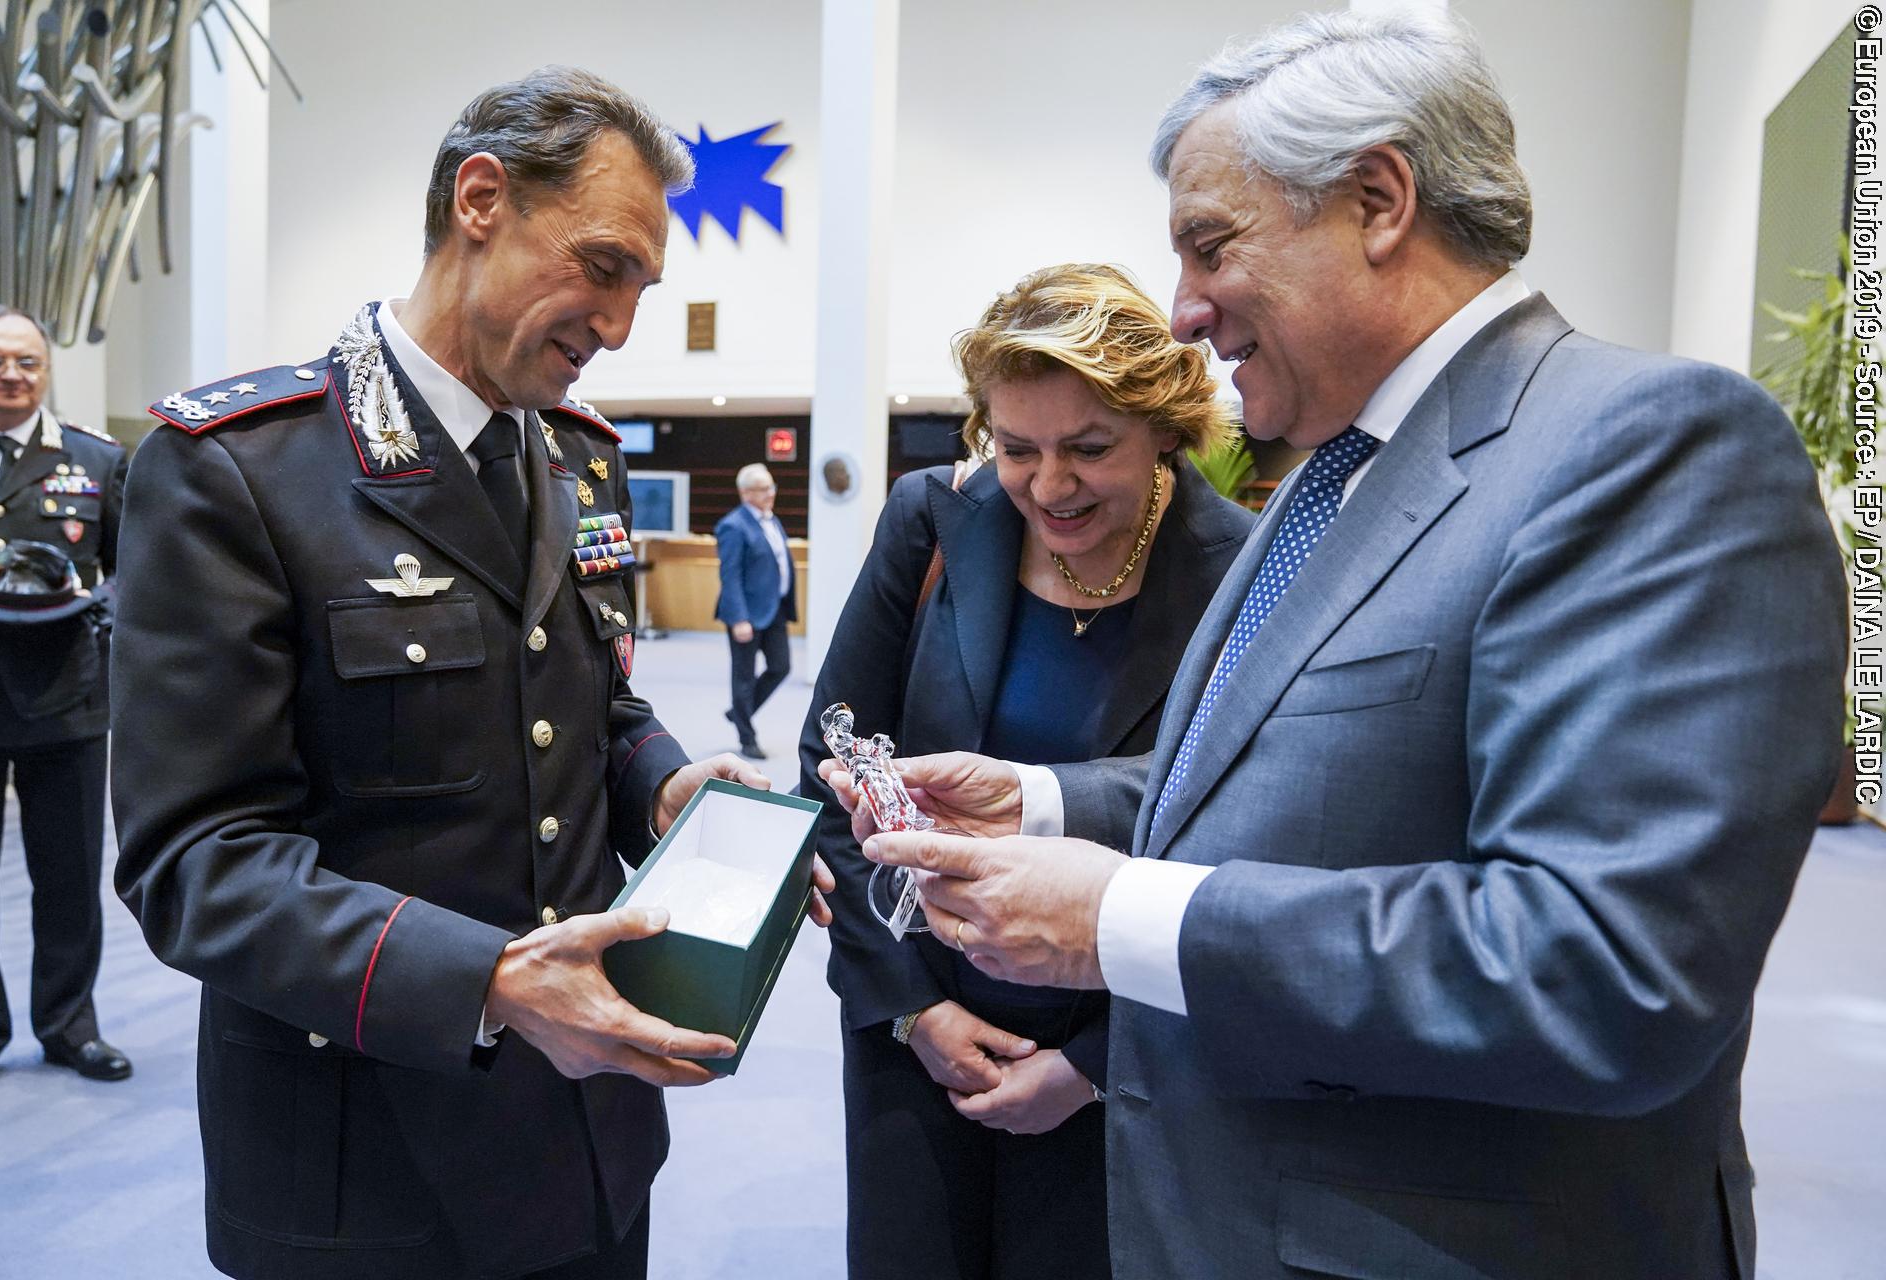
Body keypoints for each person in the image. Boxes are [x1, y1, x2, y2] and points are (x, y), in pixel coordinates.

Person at [828, 11, 1847, 1279]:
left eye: (1210, 246)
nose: (1187, 312)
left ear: (1376, 198)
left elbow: (1605, 965)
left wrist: (1118, 919)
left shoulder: (1649, 448)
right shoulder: (1334, 480)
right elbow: (1284, 781)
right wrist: (1038, 800)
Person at [110, 67, 831, 1280]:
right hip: (365, 1164)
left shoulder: (571, 461)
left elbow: (591, 705)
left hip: (588, 1133)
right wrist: (491, 980)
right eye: (603, 266)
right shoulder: (241, 470)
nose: (619, 325)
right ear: (480, 198)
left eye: (644, 289)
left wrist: (658, 782)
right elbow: (197, 860)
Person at [799, 262, 1254, 1279]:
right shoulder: (931, 520)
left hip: (1127, 1057)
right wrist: (914, 1009)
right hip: (917, 1033)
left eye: (1090, 448)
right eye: (1017, 447)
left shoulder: (1240, 573)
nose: (1050, 484)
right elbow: (835, 766)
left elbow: (1237, 836)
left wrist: (1091, 1063)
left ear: (1166, 427)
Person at [0, 304, 130, 1100]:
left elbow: (138, 575)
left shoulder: (95, 461)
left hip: (64, 700)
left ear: (46, 369)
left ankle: (71, 1026)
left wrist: (82, 606)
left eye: (27, 363)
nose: (11, 377)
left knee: (68, 877)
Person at [715, 463, 797, 760]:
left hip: (774, 609)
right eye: (763, 489)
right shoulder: (733, 526)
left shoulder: (771, 521)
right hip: (746, 613)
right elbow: (730, 576)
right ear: (745, 493)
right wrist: (738, 618)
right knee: (744, 676)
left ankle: (739, 711)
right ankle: (747, 737)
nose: (770, 494)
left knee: (781, 666)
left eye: (771, 487)